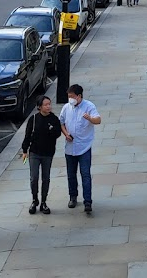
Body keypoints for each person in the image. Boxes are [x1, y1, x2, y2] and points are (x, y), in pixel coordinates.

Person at [59, 84, 101, 213]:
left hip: (84, 147)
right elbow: (61, 122)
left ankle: (87, 201)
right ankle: (73, 196)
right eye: (69, 97)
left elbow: (98, 120)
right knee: (71, 175)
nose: (70, 99)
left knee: (85, 174)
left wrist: (90, 118)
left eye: (72, 97)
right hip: (70, 148)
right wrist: (66, 134)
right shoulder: (66, 108)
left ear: (79, 96)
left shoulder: (89, 106)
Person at [21, 96, 62, 215]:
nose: (49, 106)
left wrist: (51, 130)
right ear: (39, 107)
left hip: (48, 153)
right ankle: (35, 200)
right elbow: (27, 136)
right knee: (34, 178)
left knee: (46, 178)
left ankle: (44, 201)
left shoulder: (54, 119)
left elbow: (57, 133)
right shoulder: (33, 119)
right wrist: (25, 151)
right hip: (34, 152)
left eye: (49, 104)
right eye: (46, 104)